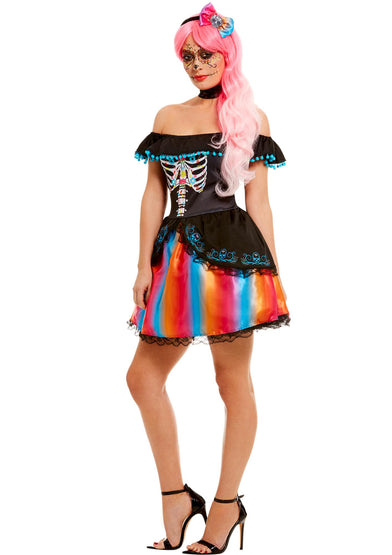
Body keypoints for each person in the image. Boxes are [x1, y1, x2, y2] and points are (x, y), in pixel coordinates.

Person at [126, 3, 290, 553]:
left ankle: (225, 506)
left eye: (205, 55)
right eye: (188, 57)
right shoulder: (167, 116)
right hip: (173, 258)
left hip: (232, 258)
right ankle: (176, 498)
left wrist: (270, 270)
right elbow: (153, 195)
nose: (196, 65)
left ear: (227, 55)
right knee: (142, 378)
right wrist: (142, 266)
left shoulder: (249, 116)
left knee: (231, 381)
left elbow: (259, 201)